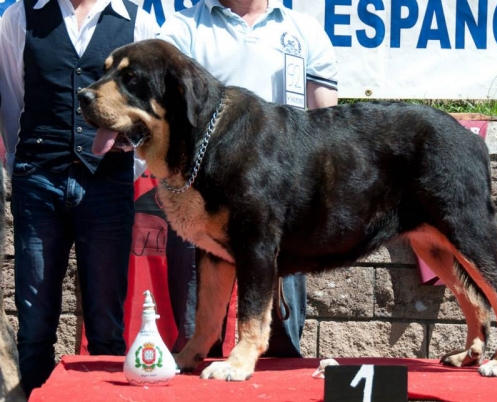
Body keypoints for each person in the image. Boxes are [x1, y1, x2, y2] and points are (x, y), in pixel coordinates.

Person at [158, 0, 338, 358]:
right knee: (198, 343)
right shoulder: (181, 29)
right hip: (203, 206)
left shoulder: (305, 31)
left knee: (281, 346)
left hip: (281, 211)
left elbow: (326, 126)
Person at [0, 0, 158, 395]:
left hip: (107, 186)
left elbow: (153, 106)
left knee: (106, 323)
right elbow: (12, 102)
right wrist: (30, 165)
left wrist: (129, 157)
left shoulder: (137, 20)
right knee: (35, 323)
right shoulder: (20, 15)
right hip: (39, 181)